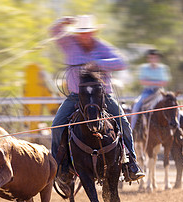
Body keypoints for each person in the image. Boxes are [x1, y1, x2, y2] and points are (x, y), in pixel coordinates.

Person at [50, 15, 144, 182]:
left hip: (102, 96)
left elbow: (121, 62)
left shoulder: (102, 47)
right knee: (57, 125)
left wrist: (98, 63)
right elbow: (53, 32)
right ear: (77, 33)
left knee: (123, 123)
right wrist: (63, 22)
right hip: (76, 97)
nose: (84, 36)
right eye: (81, 32)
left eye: (87, 32)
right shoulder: (69, 43)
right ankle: (57, 166)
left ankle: (131, 163)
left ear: (93, 32)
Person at [130, 49, 171, 128]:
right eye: (151, 58)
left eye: (155, 57)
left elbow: (165, 82)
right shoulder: (143, 68)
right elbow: (142, 82)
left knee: (173, 105)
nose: (153, 59)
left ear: (158, 58)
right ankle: (133, 129)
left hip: (160, 92)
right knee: (136, 106)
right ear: (148, 59)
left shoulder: (163, 68)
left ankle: (177, 128)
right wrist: (157, 82)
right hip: (148, 92)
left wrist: (150, 81)